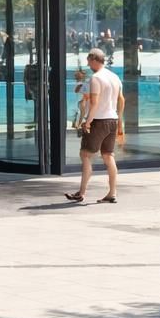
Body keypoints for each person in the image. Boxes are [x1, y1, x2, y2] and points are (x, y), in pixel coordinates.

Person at [64, 48, 124, 204]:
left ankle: (82, 192)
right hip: (112, 119)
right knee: (108, 156)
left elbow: (94, 103)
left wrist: (88, 121)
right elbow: (121, 100)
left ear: (94, 60)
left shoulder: (96, 78)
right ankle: (112, 192)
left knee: (85, 154)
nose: (88, 64)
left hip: (99, 120)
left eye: (89, 61)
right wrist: (119, 122)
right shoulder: (115, 77)